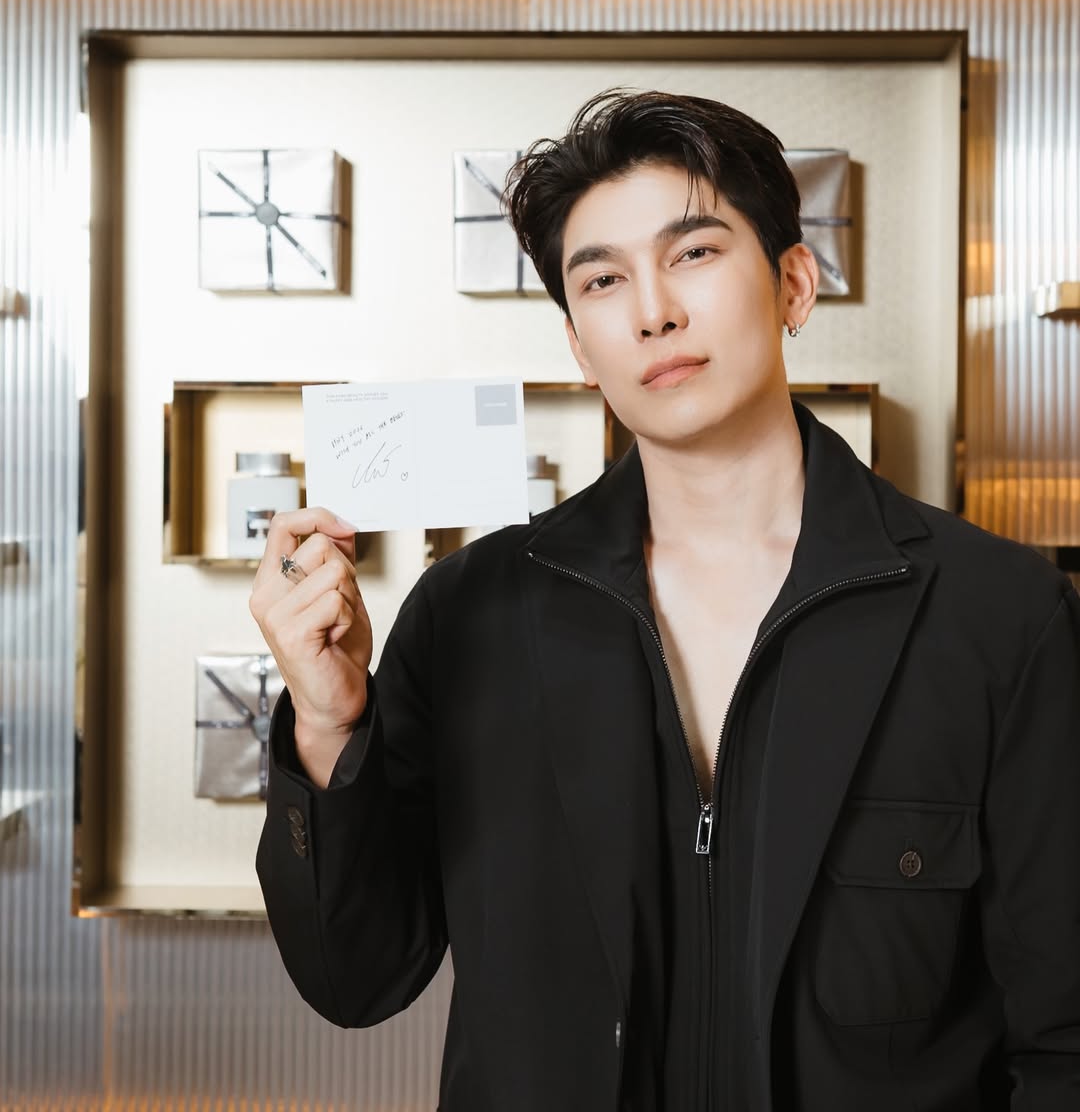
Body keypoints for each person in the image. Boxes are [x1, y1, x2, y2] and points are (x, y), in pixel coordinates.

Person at [251, 89, 1080, 1112]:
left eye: (693, 253)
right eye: (603, 280)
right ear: (579, 346)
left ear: (793, 284)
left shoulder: (998, 615)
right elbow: (356, 979)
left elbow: (1064, 1038)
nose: (654, 312)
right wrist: (329, 726)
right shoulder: (470, 615)